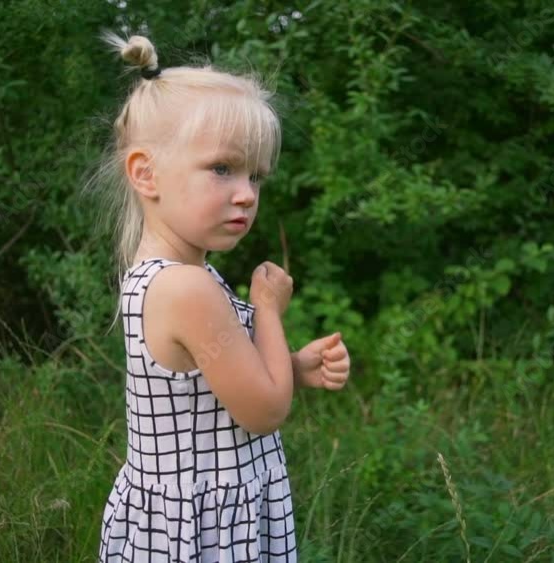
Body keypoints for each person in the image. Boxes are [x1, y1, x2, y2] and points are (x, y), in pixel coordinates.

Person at [91, 32, 352, 562]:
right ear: (146, 174)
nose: (247, 194)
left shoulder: (175, 276)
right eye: (222, 168)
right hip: (204, 531)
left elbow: (213, 388)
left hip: (188, 517)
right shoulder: (187, 287)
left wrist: (292, 367)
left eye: (256, 176)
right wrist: (267, 309)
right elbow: (265, 411)